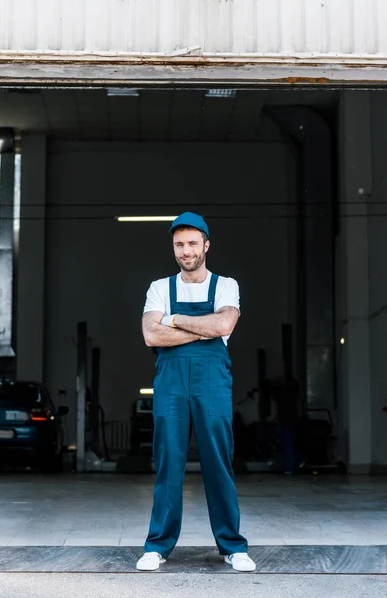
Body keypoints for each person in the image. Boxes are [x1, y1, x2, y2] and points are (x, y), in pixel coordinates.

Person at [136, 212, 255, 573]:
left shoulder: (226, 285)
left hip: (212, 383)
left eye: (191, 243)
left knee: (218, 462)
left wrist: (172, 319)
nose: (185, 251)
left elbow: (224, 324)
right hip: (171, 384)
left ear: (206, 244)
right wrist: (204, 330)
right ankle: (157, 546)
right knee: (168, 462)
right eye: (179, 245)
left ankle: (233, 546)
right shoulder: (159, 287)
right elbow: (151, 336)